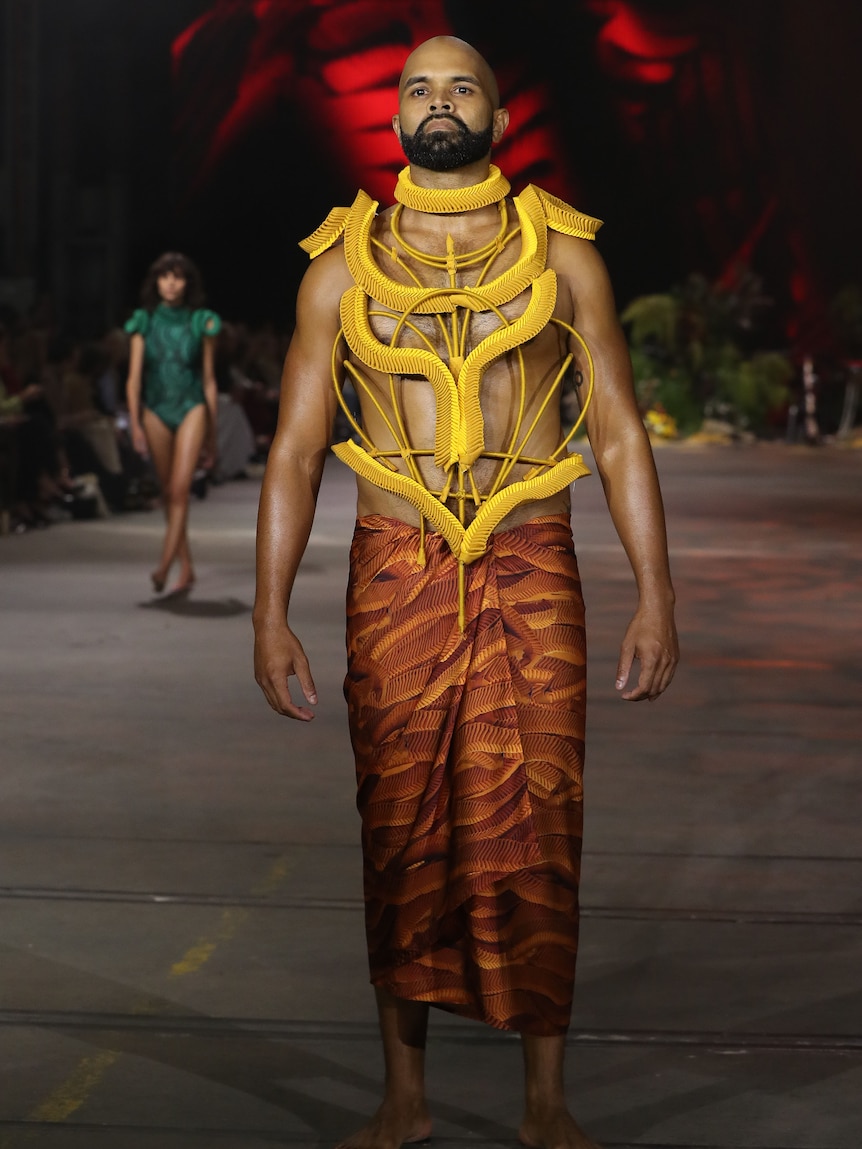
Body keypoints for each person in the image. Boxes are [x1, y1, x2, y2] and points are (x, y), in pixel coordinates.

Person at [254, 36, 678, 1149]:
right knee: (395, 825)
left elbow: (622, 433)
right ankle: (404, 1097)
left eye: (461, 87)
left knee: (544, 819)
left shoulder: (562, 254)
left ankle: (546, 1099)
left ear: (496, 114)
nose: (438, 103)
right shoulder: (340, 264)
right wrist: (267, 612)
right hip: (392, 568)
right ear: (395, 117)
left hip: (533, 567)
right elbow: (295, 451)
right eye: (418, 88)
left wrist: (656, 594)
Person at [124, 253, 221, 593]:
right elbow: (133, 379)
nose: (171, 283)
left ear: (187, 283)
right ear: (156, 281)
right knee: (169, 492)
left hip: (192, 405)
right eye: (165, 276)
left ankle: (164, 566)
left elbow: (209, 379)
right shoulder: (143, 322)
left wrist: (212, 430)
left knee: (179, 490)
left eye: (178, 277)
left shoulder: (201, 322)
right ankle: (187, 568)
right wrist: (134, 424)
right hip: (155, 409)